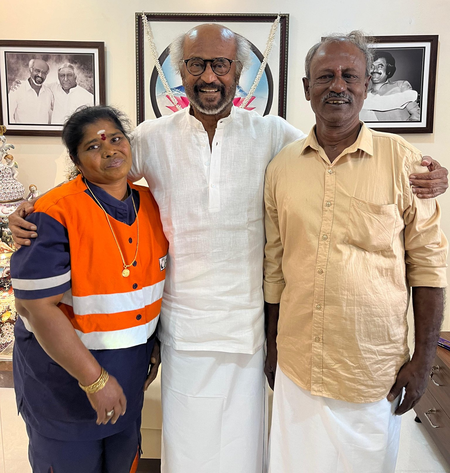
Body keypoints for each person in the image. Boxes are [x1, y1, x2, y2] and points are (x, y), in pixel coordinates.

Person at [9, 25, 449, 473]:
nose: (209, 76)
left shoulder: (273, 134)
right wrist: (34, 209)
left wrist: (433, 176)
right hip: (184, 329)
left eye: (220, 64)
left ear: (238, 71)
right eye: (196, 64)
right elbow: (97, 169)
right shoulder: (153, 136)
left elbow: (329, 151)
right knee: (189, 451)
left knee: (244, 451)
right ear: (180, 72)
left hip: (249, 330)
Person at [263, 32, 448, 473]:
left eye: (350, 76)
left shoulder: (406, 163)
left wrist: (424, 361)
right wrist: (272, 345)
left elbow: (428, 267)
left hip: (371, 368)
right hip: (297, 363)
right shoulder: (282, 167)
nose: (338, 86)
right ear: (306, 87)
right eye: (325, 76)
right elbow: (275, 266)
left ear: (367, 86)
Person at [10, 105, 168, 473]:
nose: (110, 150)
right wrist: (95, 381)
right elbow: (36, 308)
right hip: (63, 387)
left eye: (116, 139)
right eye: (93, 147)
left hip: (128, 376)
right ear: (76, 161)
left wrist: (154, 342)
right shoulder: (52, 214)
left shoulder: (153, 205)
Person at [361, 50, 420, 122]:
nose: (375, 70)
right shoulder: (362, 94)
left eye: (380, 66)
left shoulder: (400, 86)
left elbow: (417, 116)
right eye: (371, 66)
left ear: (388, 70)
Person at [9, 58, 54, 124]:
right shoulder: (17, 88)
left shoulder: (49, 93)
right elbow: (8, 115)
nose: (40, 75)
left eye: (44, 73)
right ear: (30, 70)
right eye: (37, 71)